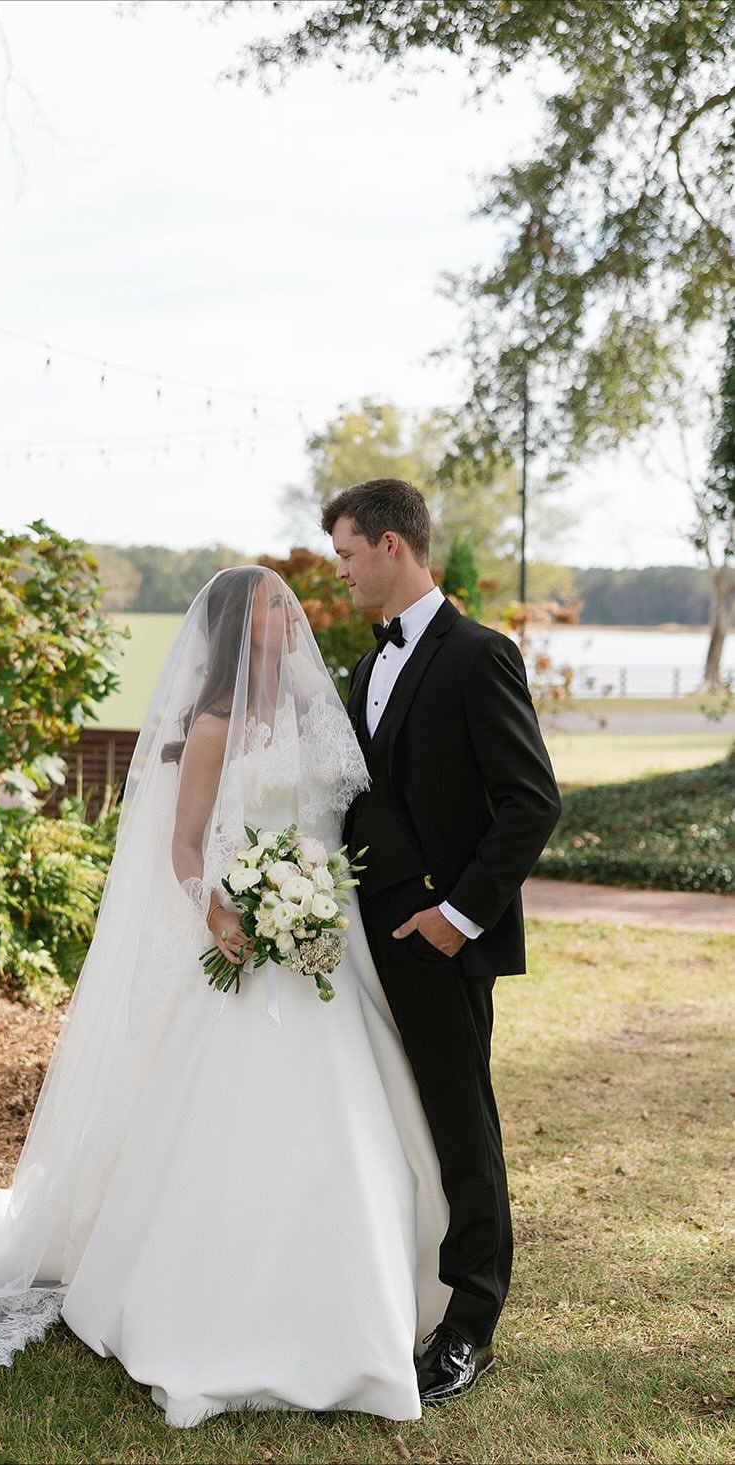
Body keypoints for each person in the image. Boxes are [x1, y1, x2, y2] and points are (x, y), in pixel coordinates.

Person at [0, 566, 451, 1437]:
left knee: (361, 1117)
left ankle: (379, 1295)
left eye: (291, 604)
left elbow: (351, 815)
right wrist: (225, 908)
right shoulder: (209, 725)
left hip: (328, 939)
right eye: (276, 606)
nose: (295, 616)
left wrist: (317, 891)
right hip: (252, 944)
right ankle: (220, 1305)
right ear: (242, 628)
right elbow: (185, 845)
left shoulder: (325, 713)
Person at [323, 480, 562, 1404]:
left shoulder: (477, 654)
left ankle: (470, 1321)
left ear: (391, 545)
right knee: (389, 1115)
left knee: (463, 1123)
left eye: (346, 553)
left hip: (436, 936)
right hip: (357, 937)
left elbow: (529, 801)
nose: (340, 571)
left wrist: (455, 916)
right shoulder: (362, 665)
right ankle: (392, 1287)